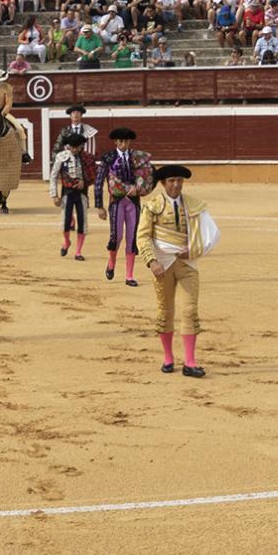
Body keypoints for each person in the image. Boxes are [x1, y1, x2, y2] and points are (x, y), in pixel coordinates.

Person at [137, 164, 216, 378]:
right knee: (165, 311)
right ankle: (168, 357)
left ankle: (190, 362)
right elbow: (142, 237)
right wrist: (151, 261)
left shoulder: (193, 204)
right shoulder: (152, 206)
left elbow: (208, 232)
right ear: (163, 183)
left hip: (187, 264)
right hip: (162, 265)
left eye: (179, 180)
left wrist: (195, 249)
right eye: (171, 181)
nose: (176, 185)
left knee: (190, 310)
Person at [93, 127, 155, 286]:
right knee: (117, 236)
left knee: (132, 237)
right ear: (115, 142)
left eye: (126, 141)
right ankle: (111, 262)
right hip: (117, 202)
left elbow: (147, 176)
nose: (124, 144)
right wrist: (99, 206)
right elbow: (98, 182)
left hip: (133, 202)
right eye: (121, 141)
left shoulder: (137, 157)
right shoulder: (108, 158)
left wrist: (140, 188)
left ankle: (129, 276)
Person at [50, 131, 92, 260]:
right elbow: (53, 176)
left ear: (80, 146)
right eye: (72, 147)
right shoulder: (61, 156)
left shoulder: (86, 158)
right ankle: (66, 242)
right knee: (65, 222)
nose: (74, 149)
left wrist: (84, 182)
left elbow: (93, 175)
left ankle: (78, 252)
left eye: (76, 147)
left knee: (82, 222)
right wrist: (54, 195)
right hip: (67, 193)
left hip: (81, 194)